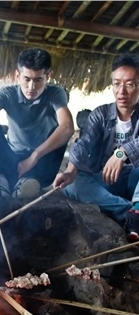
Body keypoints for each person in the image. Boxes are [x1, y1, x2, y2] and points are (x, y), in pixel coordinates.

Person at [53, 53, 139, 241]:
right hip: (106, 180)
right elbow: (84, 143)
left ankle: (134, 209)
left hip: (135, 182)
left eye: (130, 84)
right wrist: (70, 170)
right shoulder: (100, 114)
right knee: (73, 184)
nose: (121, 92)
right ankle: (128, 211)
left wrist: (122, 153)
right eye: (117, 84)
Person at [0, 48, 74, 199]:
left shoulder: (55, 93)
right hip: (12, 159)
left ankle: (23, 183)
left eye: (38, 80)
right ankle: (1, 181)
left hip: (42, 164)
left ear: (47, 77)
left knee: (59, 132)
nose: (32, 87)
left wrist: (35, 156)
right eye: (27, 79)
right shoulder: (7, 93)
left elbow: (67, 127)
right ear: (17, 76)